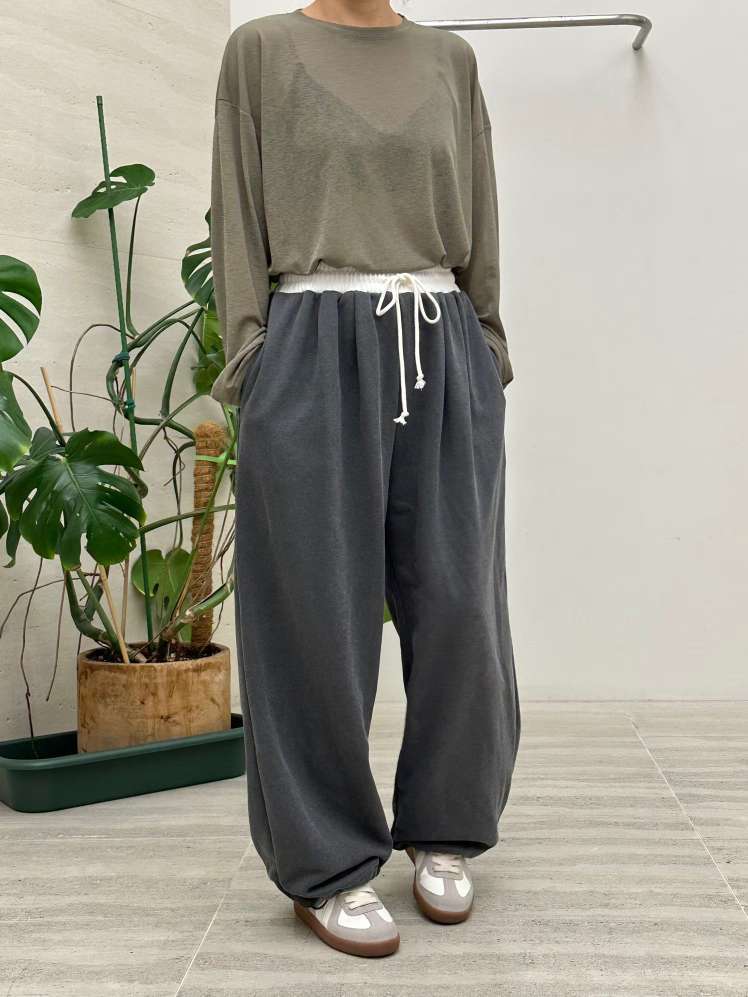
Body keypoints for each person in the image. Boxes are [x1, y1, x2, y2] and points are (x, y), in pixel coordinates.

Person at [209, 0, 521, 958]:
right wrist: (254, 361)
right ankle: (329, 859)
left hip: (440, 339)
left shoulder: (449, 60)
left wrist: (488, 348)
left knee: (460, 604)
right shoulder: (262, 51)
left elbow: (481, 215)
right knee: (313, 613)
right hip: (311, 343)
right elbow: (236, 213)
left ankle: (446, 825)